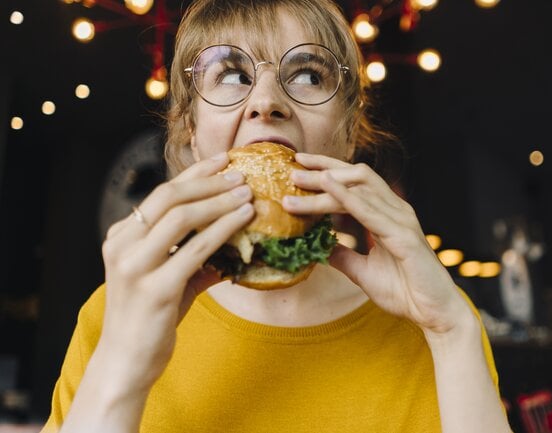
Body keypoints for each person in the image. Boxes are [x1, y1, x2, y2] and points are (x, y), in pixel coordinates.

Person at [42, 0, 511, 432]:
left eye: (307, 75)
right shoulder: (117, 313)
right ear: (191, 132)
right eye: (231, 75)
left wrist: (452, 332)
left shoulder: (439, 321)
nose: (266, 102)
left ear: (348, 133)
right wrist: (121, 365)